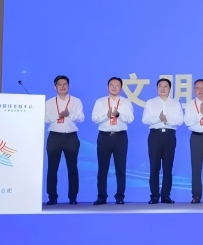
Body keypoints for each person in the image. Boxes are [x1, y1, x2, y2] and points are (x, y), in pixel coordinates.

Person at [91, 77, 135, 205]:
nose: (114, 87)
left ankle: (120, 197)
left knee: (120, 168)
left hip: (120, 137)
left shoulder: (126, 102)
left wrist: (118, 114)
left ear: (121, 88)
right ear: (107, 87)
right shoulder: (100, 102)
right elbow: (94, 118)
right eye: (112, 85)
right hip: (104, 137)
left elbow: (130, 119)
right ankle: (101, 196)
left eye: (117, 86)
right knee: (102, 168)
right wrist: (107, 115)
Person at [44, 75, 84, 205]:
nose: (63, 86)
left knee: (72, 168)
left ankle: (73, 197)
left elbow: (81, 117)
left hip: (71, 137)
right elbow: (45, 118)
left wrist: (69, 114)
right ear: (55, 86)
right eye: (59, 84)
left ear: (68, 85)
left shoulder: (76, 101)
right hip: (54, 137)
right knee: (52, 168)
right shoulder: (49, 102)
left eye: (65, 84)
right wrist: (59, 116)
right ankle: (52, 197)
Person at [142, 78, 183, 204]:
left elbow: (180, 120)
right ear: (157, 88)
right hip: (155, 136)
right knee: (154, 167)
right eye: (160, 86)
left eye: (165, 86)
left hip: (169, 136)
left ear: (169, 89)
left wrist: (166, 120)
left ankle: (165, 196)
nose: (163, 89)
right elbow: (145, 119)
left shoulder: (175, 103)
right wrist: (158, 119)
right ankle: (154, 195)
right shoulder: (150, 103)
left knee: (167, 167)